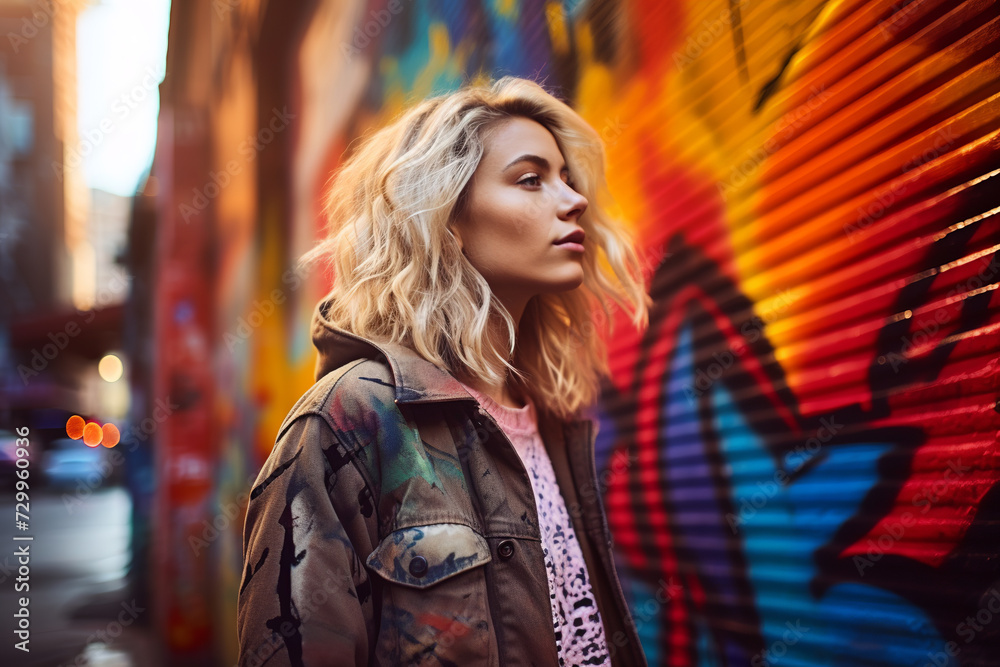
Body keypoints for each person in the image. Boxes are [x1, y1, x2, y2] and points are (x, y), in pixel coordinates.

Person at [237, 75, 651, 667]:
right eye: (531, 179)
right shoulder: (347, 422)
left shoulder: (555, 417)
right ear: (444, 219)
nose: (573, 199)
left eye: (566, 177)